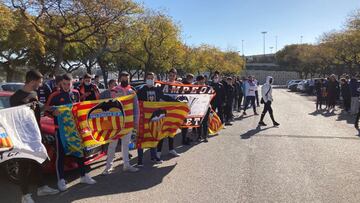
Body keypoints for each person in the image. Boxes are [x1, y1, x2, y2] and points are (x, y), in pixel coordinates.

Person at [10, 70, 59, 203]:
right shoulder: (15, 97)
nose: (41, 84)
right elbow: (13, 118)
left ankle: (42, 188)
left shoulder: (34, 93)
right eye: (39, 81)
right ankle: (25, 196)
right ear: (32, 81)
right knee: (24, 165)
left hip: (35, 133)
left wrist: (50, 108)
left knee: (38, 160)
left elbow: (38, 107)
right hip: (22, 136)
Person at [46, 74, 97, 191]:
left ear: (72, 83)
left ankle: (84, 176)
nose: (66, 86)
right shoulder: (54, 95)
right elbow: (46, 109)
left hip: (74, 129)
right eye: (64, 84)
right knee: (61, 155)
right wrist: (53, 113)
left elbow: (78, 109)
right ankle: (61, 180)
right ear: (60, 84)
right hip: (61, 130)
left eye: (68, 84)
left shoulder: (76, 93)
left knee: (80, 152)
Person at [102, 71, 139, 174]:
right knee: (112, 145)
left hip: (128, 122)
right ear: (119, 79)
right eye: (123, 78)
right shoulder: (114, 90)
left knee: (126, 145)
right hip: (116, 123)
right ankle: (108, 167)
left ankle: (126, 165)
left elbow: (136, 108)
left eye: (126, 78)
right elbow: (109, 105)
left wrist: (136, 121)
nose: (124, 80)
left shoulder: (132, 91)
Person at [136, 72, 176, 166]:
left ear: (154, 79)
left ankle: (154, 157)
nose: (150, 79)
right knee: (141, 138)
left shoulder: (158, 90)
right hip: (143, 118)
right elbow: (136, 102)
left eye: (152, 78)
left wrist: (177, 102)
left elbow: (164, 98)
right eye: (148, 78)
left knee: (154, 137)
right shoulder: (141, 90)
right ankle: (140, 160)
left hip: (154, 118)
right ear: (146, 79)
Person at [157, 68, 181, 158]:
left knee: (172, 131)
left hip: (174, 112)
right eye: (170, 75)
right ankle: (158, 151)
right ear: (168, 75)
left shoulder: (179, 85)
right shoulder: (163, 84)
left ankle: (171, 149)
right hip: (165, 111)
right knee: (163, 130)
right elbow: (160, 97)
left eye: (173, 75)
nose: (171, 77)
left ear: (176, 76)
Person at [194, 75, 210, 142]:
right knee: (198, 122)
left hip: (206, 107)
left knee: (205, 122)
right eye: (199, 80)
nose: (201, 82)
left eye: (202, 80)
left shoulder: (208, 88)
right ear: (197, 81)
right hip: (197, 107)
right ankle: (199, 136)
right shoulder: (194, 88)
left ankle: (205, 136)